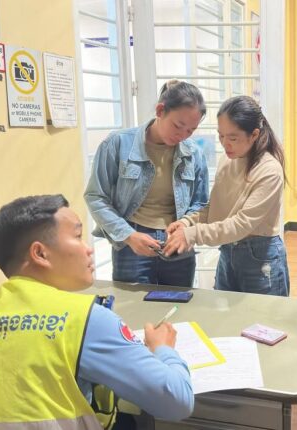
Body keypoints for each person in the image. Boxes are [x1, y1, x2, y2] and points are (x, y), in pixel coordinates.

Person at [0, 195, 194, 429]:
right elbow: (177, 401)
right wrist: (164, 349)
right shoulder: (84, 318)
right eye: (77, 236)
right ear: (40, 253)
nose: (89, 249)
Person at [85, 80, 209, 287]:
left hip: (178, 241)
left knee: (179, 303)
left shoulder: (194, 153)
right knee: (134, 304)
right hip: (132, 242)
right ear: (160, 111)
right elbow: (95, 196)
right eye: (178, 126)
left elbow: (201, 203)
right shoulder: (118, 143)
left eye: (190, 130)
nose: (182, 135)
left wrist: (185, 226)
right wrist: (128, 236)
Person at [163, 95, 289, 296]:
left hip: (260, 257)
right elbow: (215, 208)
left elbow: (241, 224)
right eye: (221, 136)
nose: (224, 143)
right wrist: (187, 222)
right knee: (224, 313)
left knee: (263, 316)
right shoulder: (227, 160)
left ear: (254, 134)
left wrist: (192, 234)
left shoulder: (269, 170)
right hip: (228, 251)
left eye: (233, 138)